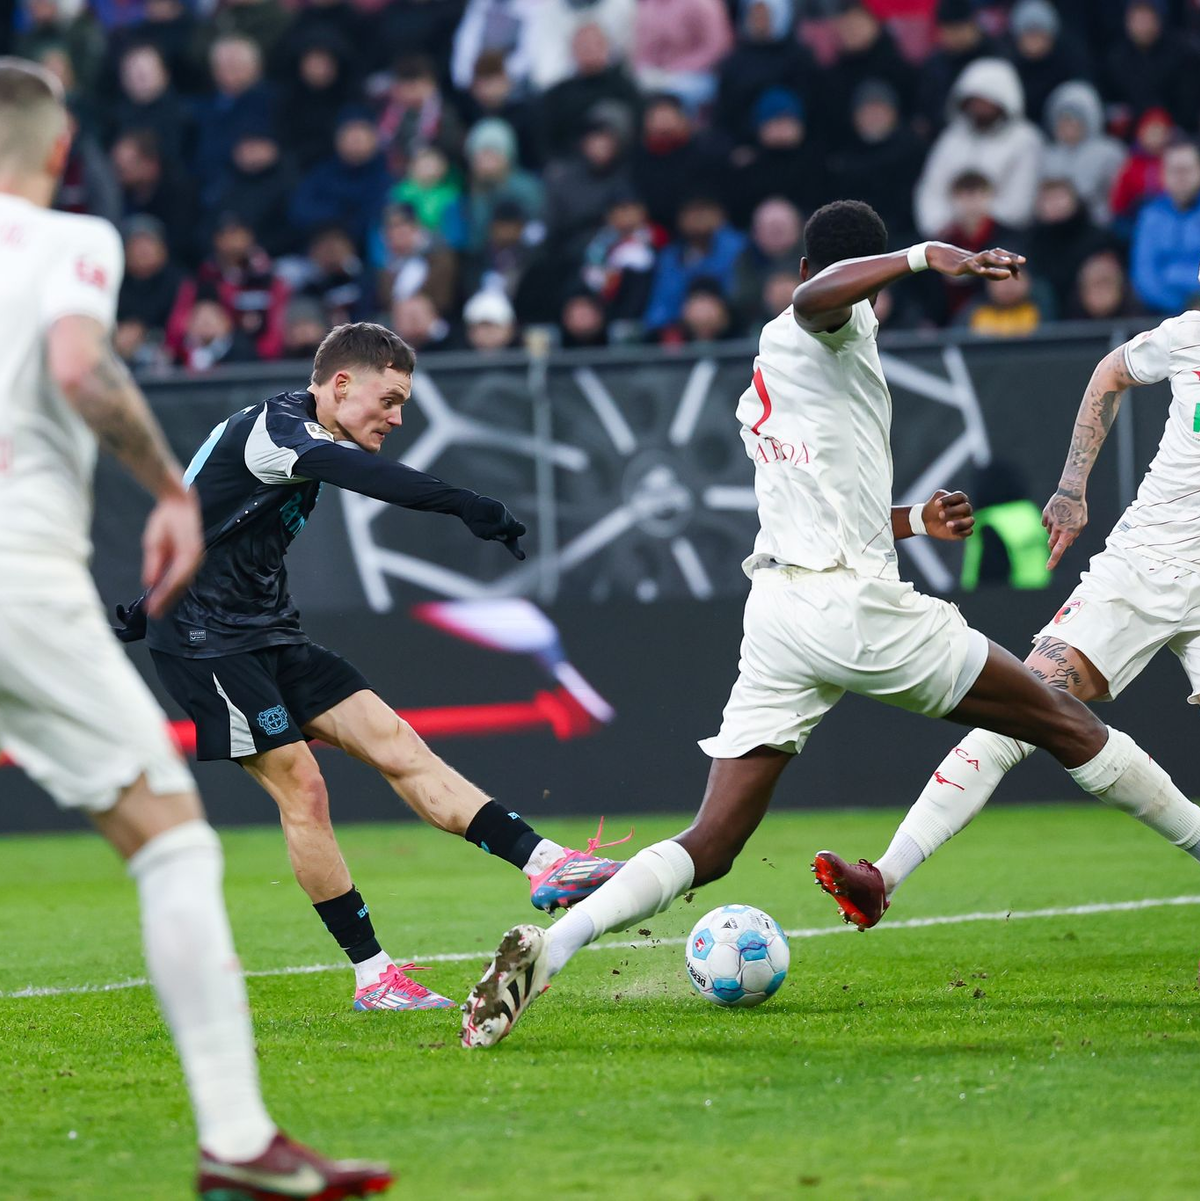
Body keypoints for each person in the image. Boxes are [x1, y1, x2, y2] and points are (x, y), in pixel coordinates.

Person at [458, 199, 1200, 1049]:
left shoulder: (773, 380)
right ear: (845, 280)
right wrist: (927, 256)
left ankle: (553, 949)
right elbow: (822, 302)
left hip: (780, 612)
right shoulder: (820, 324)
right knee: (1065, 722)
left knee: (715, 837)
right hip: (856, 608)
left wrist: (916, 520)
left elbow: (830, 504)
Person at [0, 57, 391, 1197]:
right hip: (20, 578)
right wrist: (171, 488)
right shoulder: (70, 242)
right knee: (172, 838)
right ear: (61, 153)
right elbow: (79, 367)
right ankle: (237, 1142)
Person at [113, 321, 624, 1012]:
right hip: (206, 643)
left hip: (265, 628)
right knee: (305, 787)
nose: (398, 416)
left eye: (403, 403)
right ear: (340, 383)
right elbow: (362, 475)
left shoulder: (298, 434)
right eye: (389, 399)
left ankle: (546, 864)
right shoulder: (279, 428)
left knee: (396, 741)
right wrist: (467, 505)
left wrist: (150, 596)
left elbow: (208, 509)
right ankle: (374, 975)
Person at [814, 293, 1200, 930]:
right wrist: (1072, 488)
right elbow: (1112, 371)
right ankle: (884, 876)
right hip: (1142, 563)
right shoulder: (1186, 336)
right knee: (1024, 710)